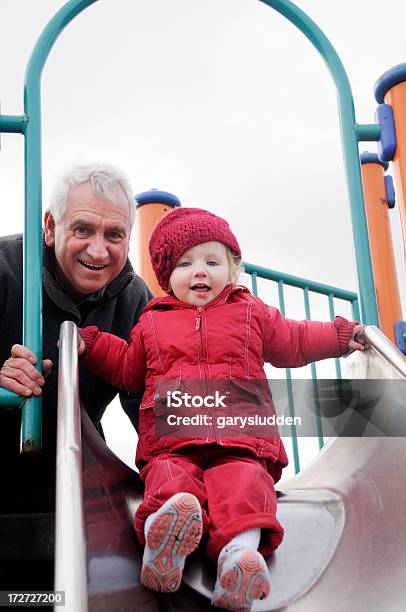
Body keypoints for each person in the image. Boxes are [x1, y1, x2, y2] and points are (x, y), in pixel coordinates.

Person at [78, 207, 367, 610]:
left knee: (245, 484)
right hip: (173, 437)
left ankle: (239, 559)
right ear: (166, 276)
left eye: (212, 262)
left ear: (231, 270)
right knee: (169, 479)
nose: (200, 272)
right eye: (186, 263)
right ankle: (165, 547)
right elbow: (128, 368)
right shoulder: (152, 322)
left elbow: (294, 341)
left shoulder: (250, 312)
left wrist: (339, 335)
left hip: (242, 438)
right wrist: (91, 345)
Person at [0, 163, 152, 512]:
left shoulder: (135, 301)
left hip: (79, 482)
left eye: (114, 235)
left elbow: (155, 405)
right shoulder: (6, 269)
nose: (98, 252)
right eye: (83, 229)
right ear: (51, 228)